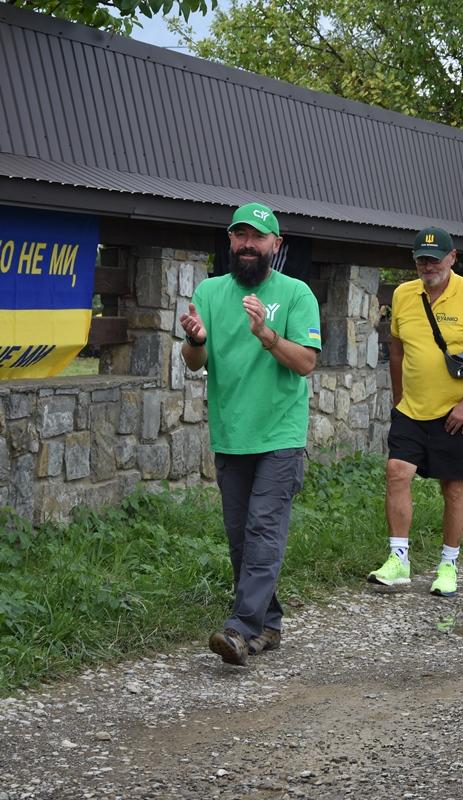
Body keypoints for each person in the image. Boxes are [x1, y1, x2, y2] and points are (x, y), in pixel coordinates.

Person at [180, 202, 321, 666]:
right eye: (240, 235)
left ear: (275, 244)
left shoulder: (296, 293)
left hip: (280, 434)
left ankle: (240, 629)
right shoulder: (210, 291)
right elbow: (195, 363)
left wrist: (268, 336)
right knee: (242, 538)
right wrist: (196, 341)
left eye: (258, 237)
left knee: (263, 530)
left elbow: (306, 362)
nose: (247, 244)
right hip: (231, 432)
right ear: (230, 241)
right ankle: (268, 624)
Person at [367, 226, 463, 597]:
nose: (428, 266)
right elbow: (396, 350)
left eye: (435, 259)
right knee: (397, 472)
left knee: (453, 488)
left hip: (456, 412)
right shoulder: (403, 294)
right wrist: (398, 400)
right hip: (411, 410)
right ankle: (398, 560)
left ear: (452, 258)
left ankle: (448, 564)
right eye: (421, 260)